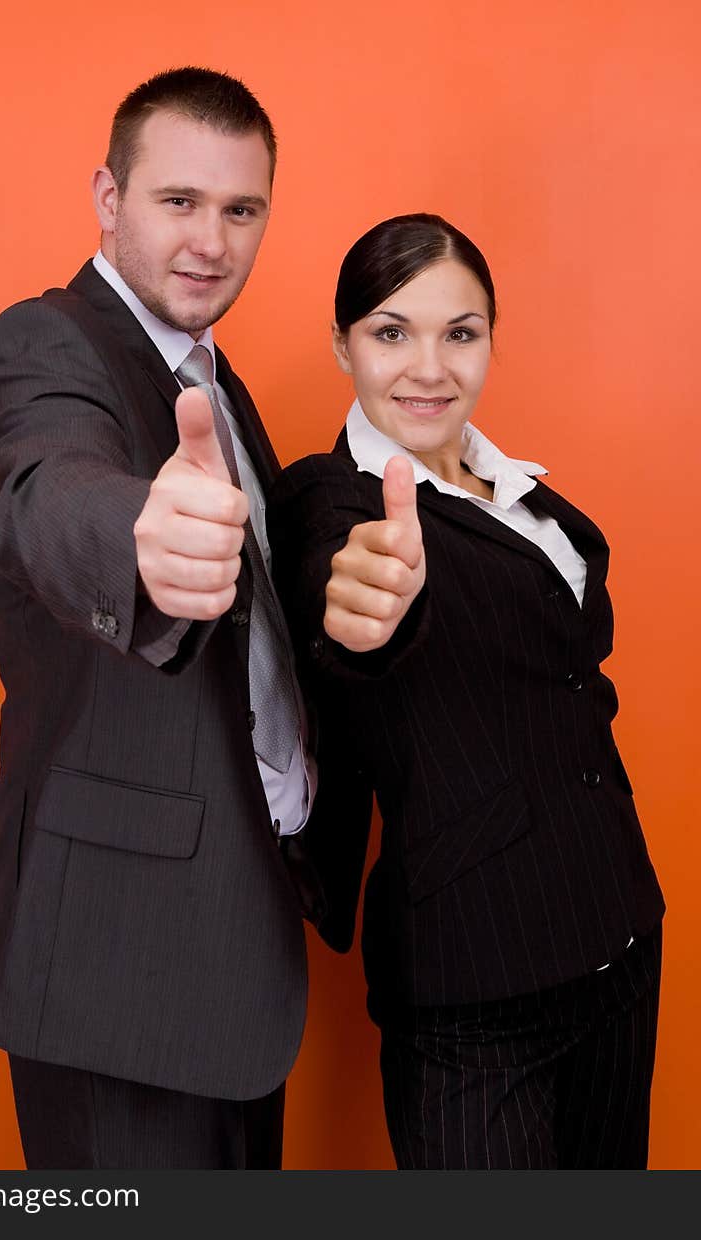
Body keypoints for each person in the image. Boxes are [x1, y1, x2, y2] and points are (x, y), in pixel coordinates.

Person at [0, 66, 324, 1170]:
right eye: (177, 202)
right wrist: (138, 540)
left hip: (230, 950)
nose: (211, 240)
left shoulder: (219, 386)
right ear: (108, 201)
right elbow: (43, 485)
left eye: (241, 209)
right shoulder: (46, 341)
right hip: (121, 966)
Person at [267, 213, 665, 1170]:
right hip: (472, 988)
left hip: (618, 933)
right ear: (342, 345)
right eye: (391, 332)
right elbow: (347, 603)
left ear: (491, 337)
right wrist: (361, 611)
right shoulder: (337, 499)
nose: (429, 367)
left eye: (461, 332)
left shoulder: (522, 494)